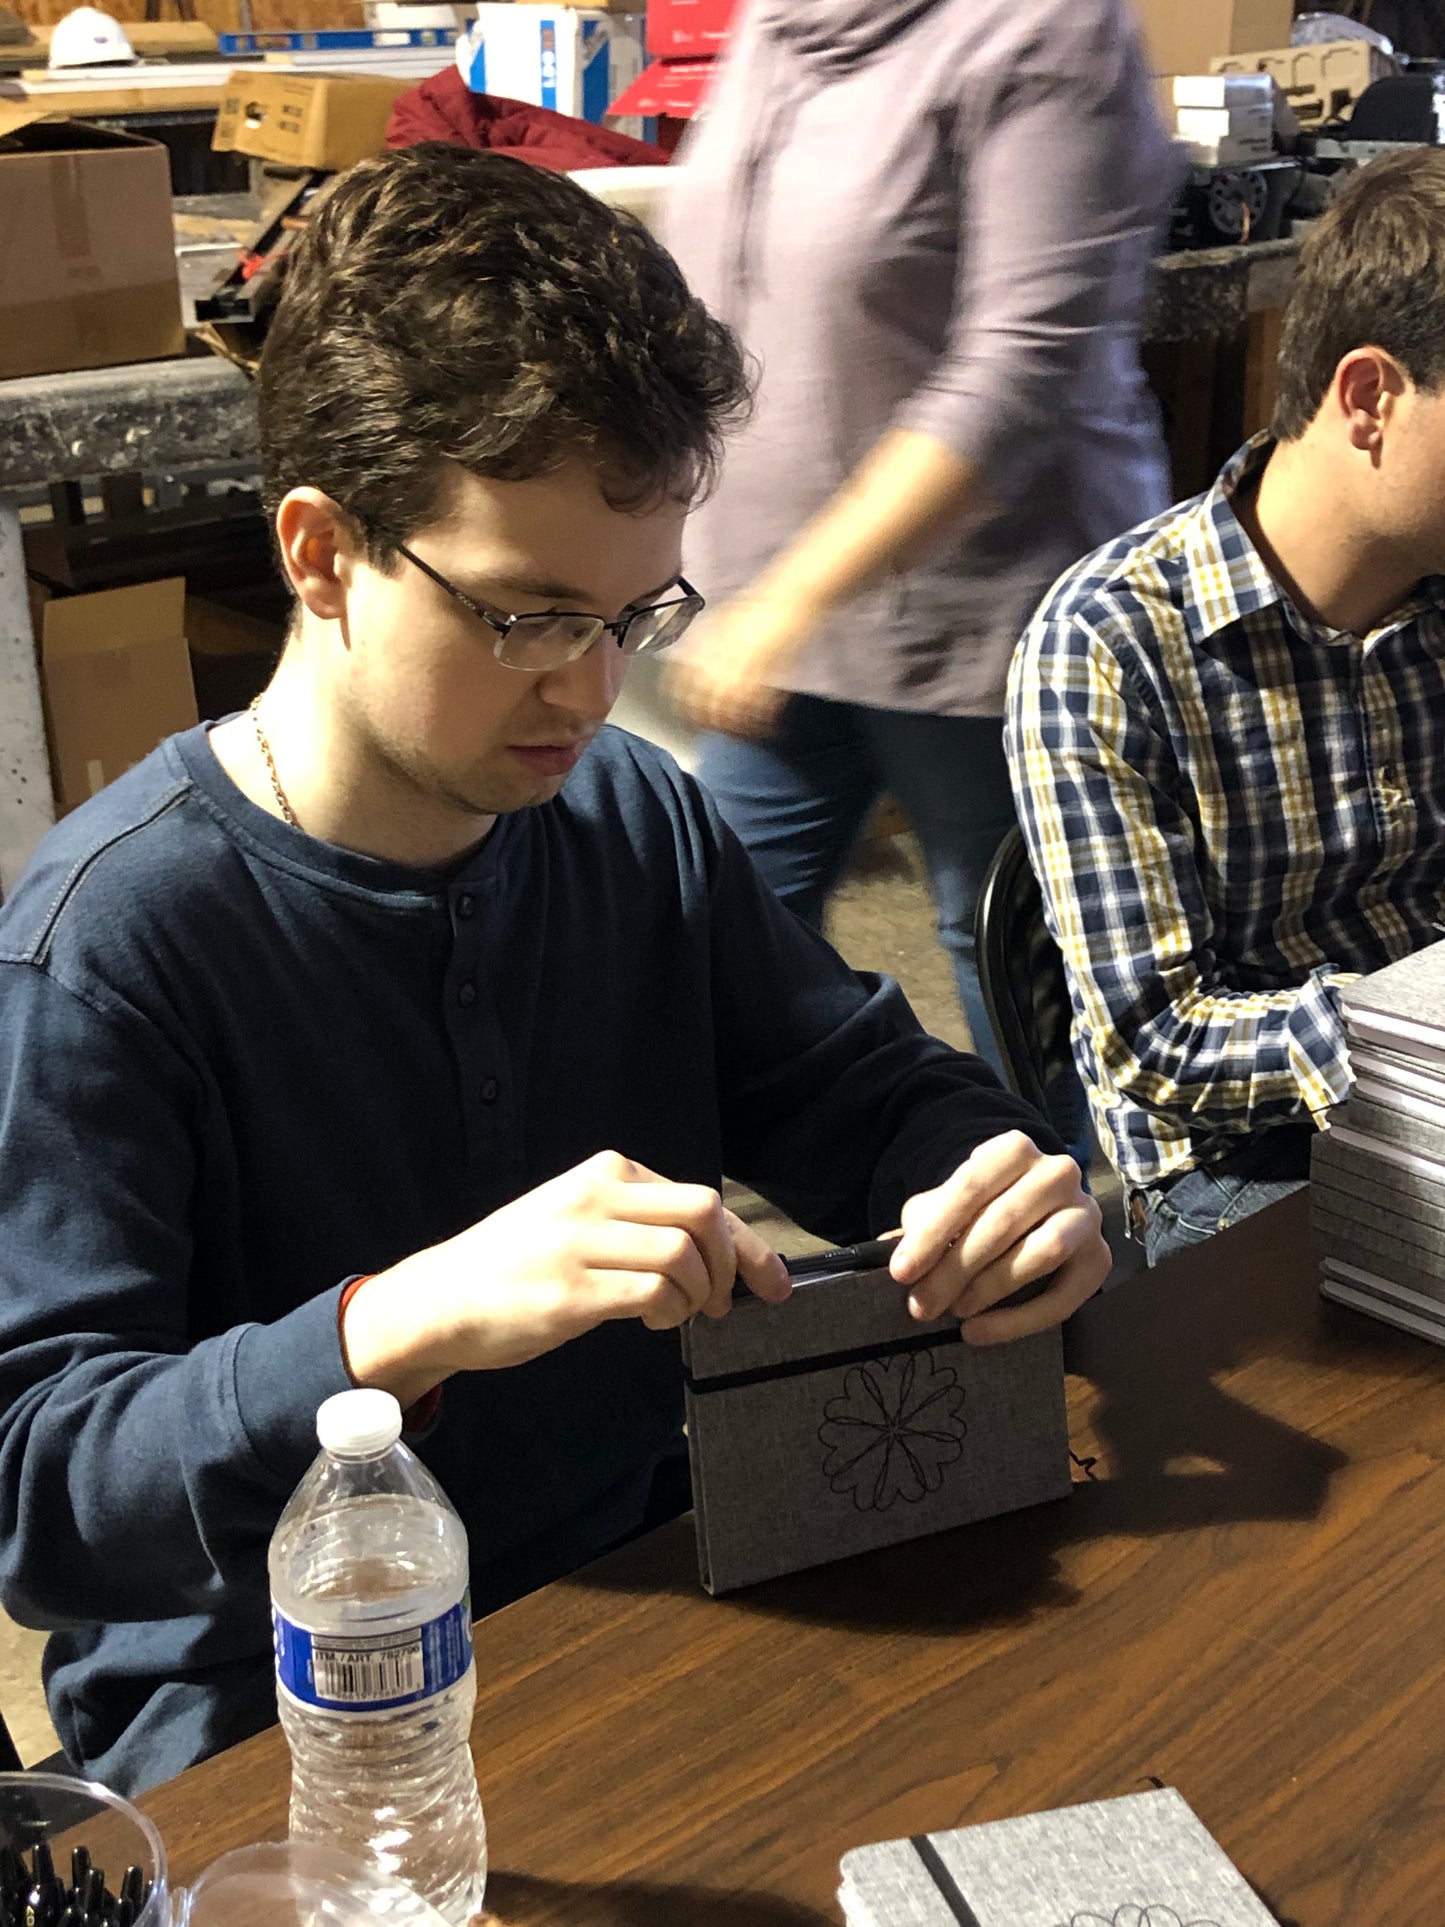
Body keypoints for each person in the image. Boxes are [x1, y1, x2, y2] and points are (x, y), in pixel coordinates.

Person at [0, 146, 1108, 1795]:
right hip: (279, 1722)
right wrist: (402, 1320)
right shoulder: (111, 940)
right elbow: (48, 1497)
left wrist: (999, 1189)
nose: (590, 692)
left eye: (631, 614)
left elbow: (855, 1089)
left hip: (639, 1594)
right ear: (320, 554)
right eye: (524, 616)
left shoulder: (630, 822)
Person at [660, 0, 1178, 1097]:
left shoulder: (1044, 30)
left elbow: (1022, 368)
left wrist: (792, 593)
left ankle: (1071, 1241)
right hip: (770, 609)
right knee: (707, 934)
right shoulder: (781, 21)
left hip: (984, 619)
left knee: (1008, 961)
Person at [1006, 148, 1445, 1268]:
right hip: (1243, 1162)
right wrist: (1410, 1039)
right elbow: (1154, 1041)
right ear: (1368, 398)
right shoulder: (1108, 642)